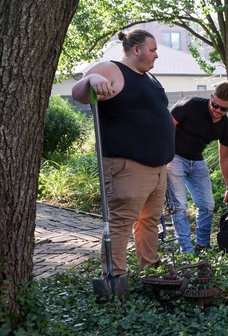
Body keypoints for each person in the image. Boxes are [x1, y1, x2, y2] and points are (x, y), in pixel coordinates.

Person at [71, 29, 175, 278]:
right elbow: (78, 92)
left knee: (149, 220)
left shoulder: (149, 78)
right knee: (121, 222)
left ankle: (150, 269)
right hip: (128, 166)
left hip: (158, 167)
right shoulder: (112, 69)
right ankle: (115, 277)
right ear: (136, 49)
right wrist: (91, 80)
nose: (157, 55)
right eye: (153, 50)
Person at [167, 82, 228, 254]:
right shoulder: (190, 105)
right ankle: (187, 251)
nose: (218, 111)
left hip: (196, 161)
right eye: (215, 105)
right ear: (211, 97)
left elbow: (225, 157)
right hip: (174, 157)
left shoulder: (224, 125)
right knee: (180, 206)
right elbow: (165, 126)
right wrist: (160, 158)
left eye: (223, 109)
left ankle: (202, 244)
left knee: (207, 205)